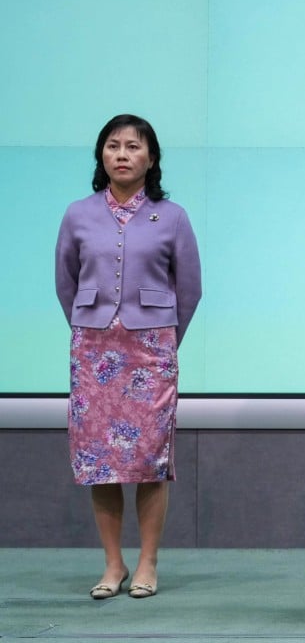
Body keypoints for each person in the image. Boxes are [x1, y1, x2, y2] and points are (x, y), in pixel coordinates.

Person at [55, 114, 202, 599]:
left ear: (151, 158)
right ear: (101, 155)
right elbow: (65, 281)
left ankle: (147, 562)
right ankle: (112, 564)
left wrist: (164, 341)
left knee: (150, 459)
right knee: (100, 458)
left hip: (151, 353)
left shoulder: (172, 216)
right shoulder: (78, 214)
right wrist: (89, 329)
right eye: (113, 145)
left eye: (133, 146)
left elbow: (189, 289)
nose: (122, 154)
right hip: (93, 351)